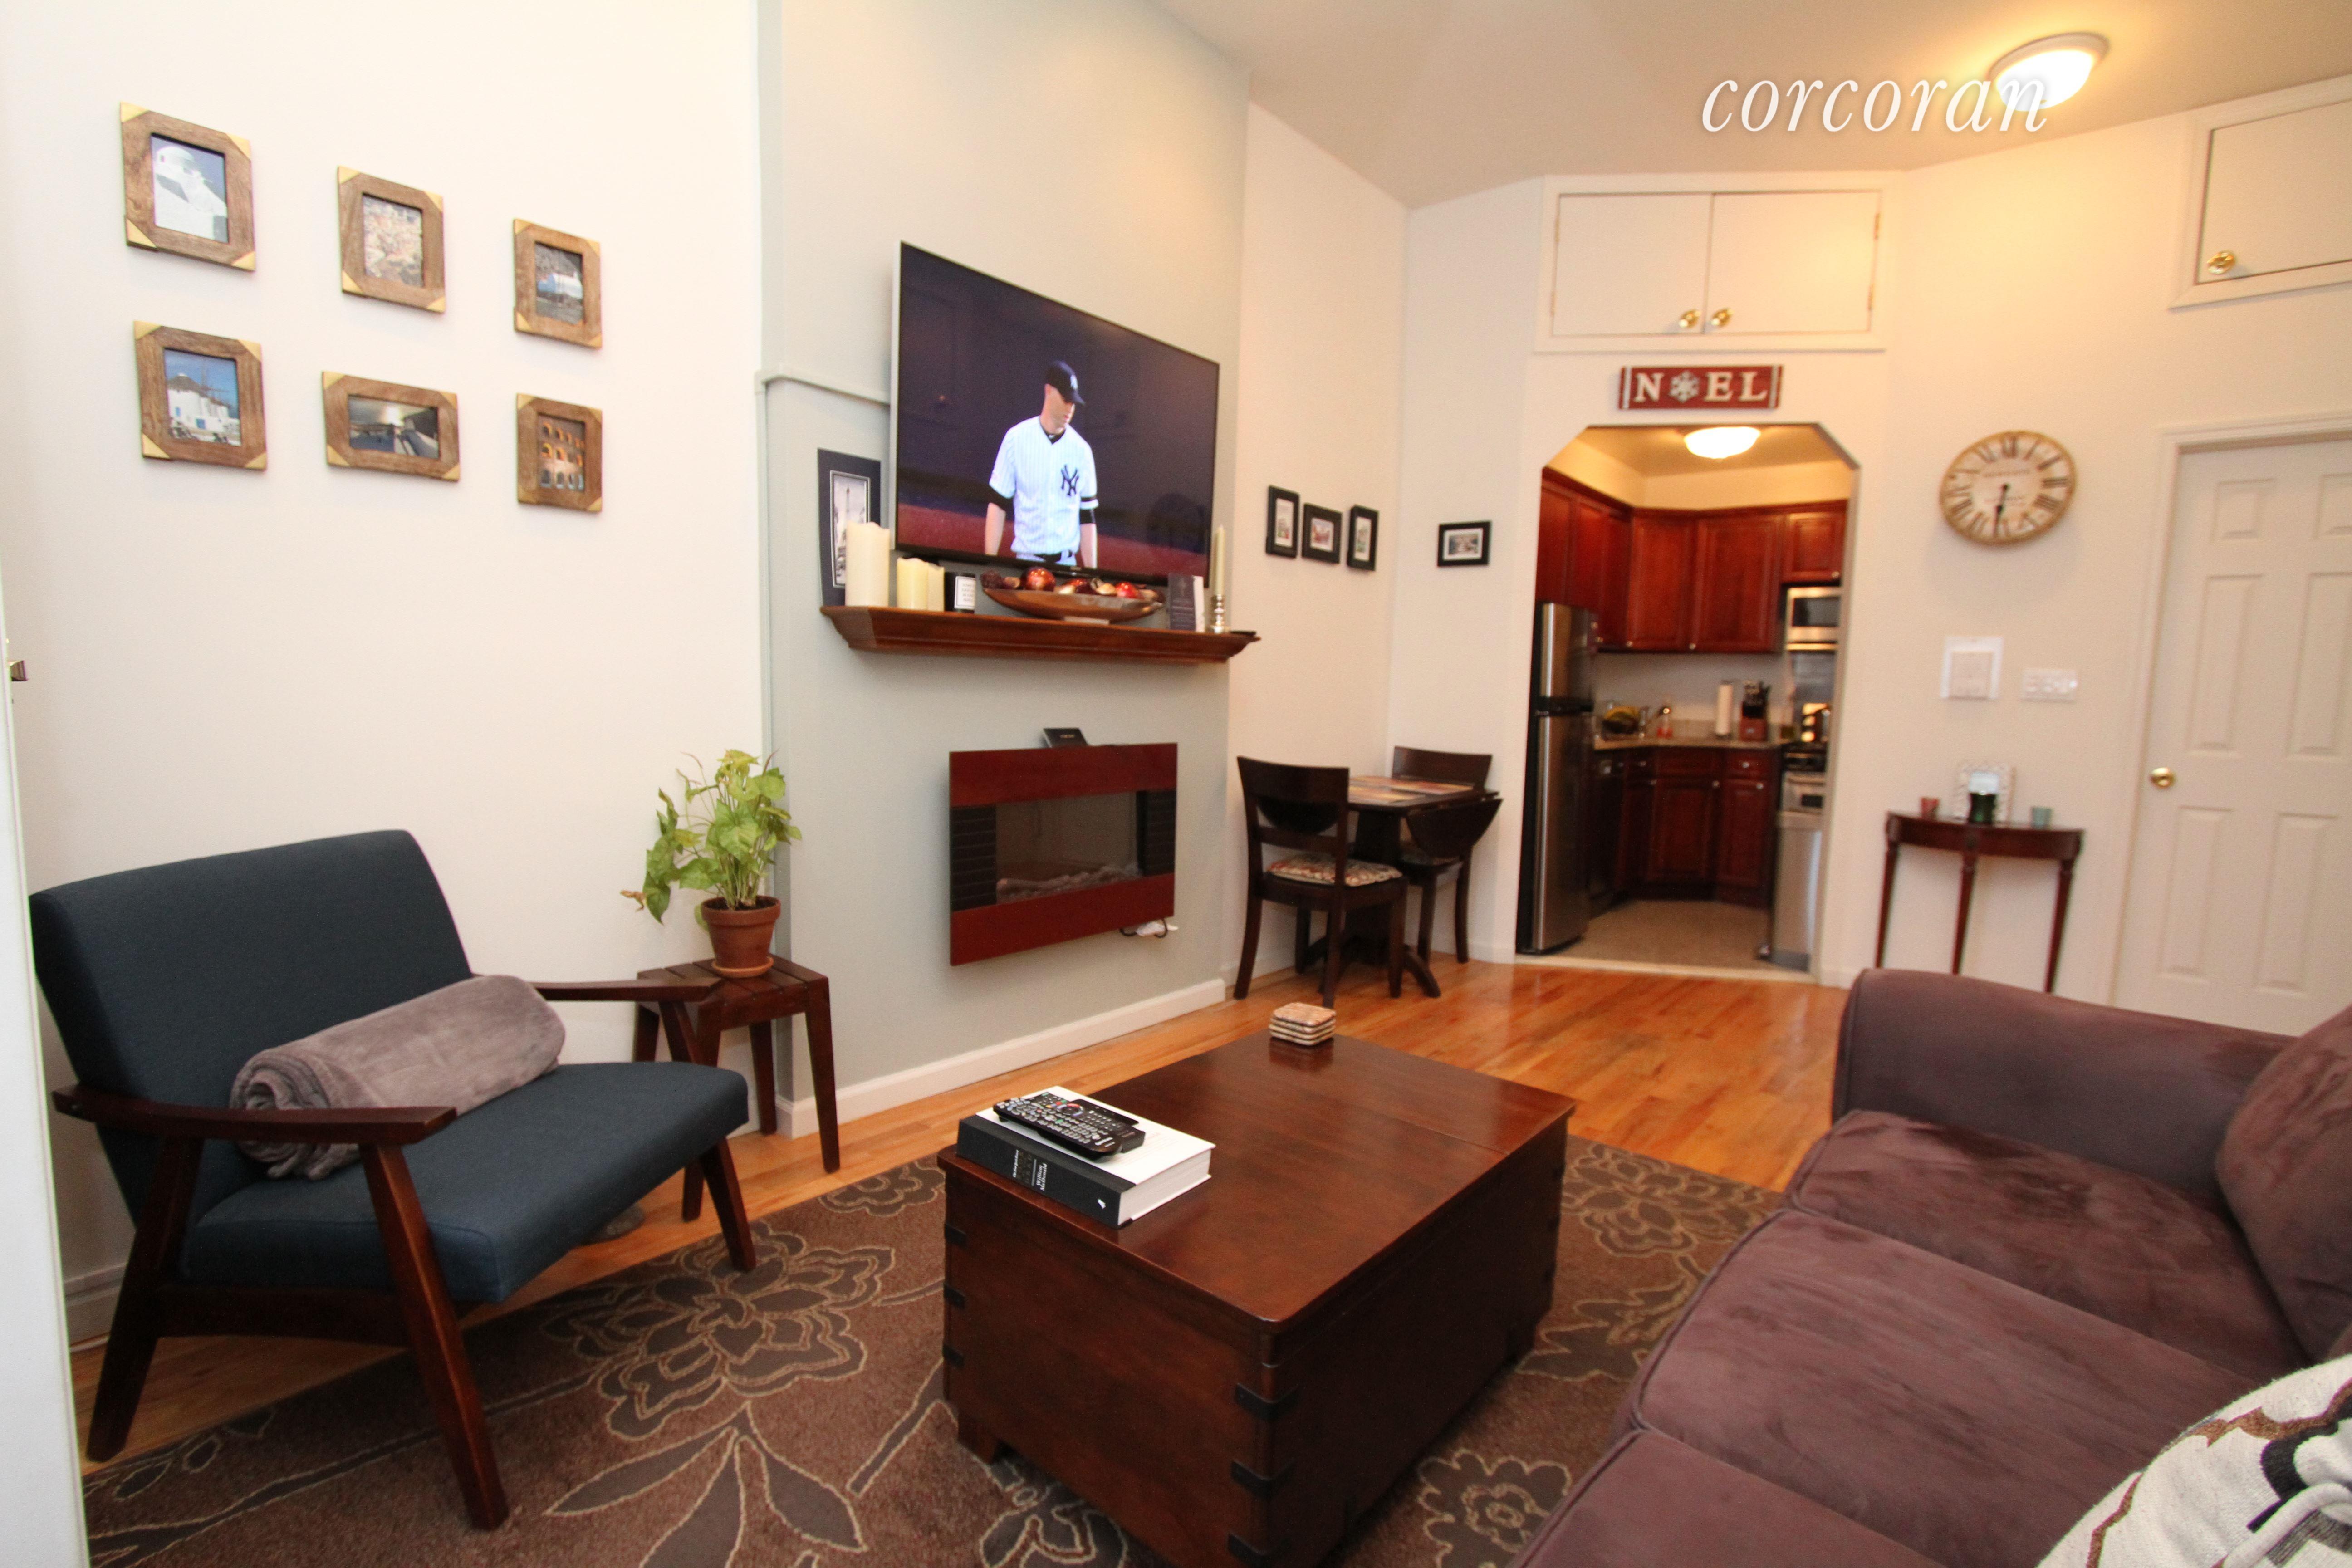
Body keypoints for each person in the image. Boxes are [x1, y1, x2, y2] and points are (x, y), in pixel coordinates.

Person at [984, 362, 1098, 568]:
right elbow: (998, 503)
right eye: (1066, 400)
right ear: (1049, 391)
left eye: (1073, 403)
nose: (1070, 409)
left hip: (1067, 564)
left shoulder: (1082, 451)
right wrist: (989, 563)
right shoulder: (1016, 439)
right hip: (1027, 562)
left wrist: (1093, 573)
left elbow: (1087, 516)